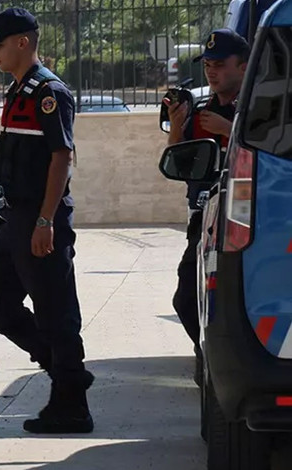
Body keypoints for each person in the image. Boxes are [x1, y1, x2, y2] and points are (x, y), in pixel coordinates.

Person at [0, 7, 94, 434]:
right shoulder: (18, 91)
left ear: (23, 42)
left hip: (39, 216)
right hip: (13, 218)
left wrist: (45, 221)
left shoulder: (49, 92)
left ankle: (72, 406)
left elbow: (61, 157)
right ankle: (65, 371)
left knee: (55, 311)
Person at [164, 28, 248, 369]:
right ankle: (208, 358)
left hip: (247, 218)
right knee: (186, 299)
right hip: (205, 219)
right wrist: (176, 125)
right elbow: (177, 160)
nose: (211, 72)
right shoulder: (200, 111)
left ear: (243, 67)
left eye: (220, 64)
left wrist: (229, 130)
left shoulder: (260, 109)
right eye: (208, 65)